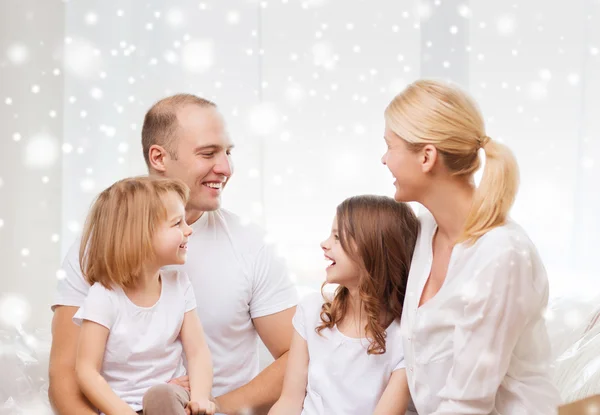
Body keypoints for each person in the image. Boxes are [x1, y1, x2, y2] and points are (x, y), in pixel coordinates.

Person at [49, 95, 298, 415]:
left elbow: (298, 355)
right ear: (159, 157)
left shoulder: (250, 245)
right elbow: (66, 376)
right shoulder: (96, 249)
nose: (225, 168)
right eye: (208, 153)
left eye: (228, 152)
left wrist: (210, 407)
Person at [382, 79, 561, 414]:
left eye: (389, 146)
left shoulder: (502, 255)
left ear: (426, 157)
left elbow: (468, 404)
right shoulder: (425, 230)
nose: (383, 159)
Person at [74, 176, 215, 415]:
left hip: (174, 400)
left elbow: (198, 351)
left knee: (161, 395)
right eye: (177, 223)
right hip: (125, 408)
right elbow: (86, 370)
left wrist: (200, 398)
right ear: (141, 235)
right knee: (158, 395)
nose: (188, 230)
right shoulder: (104, 297)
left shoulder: (179, 284)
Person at [269, 195, 419, 415]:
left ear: (373, 251)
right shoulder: (312, 310)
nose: (324, 244)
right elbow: (289, 402)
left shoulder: (405, 338)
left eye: (337, 237)